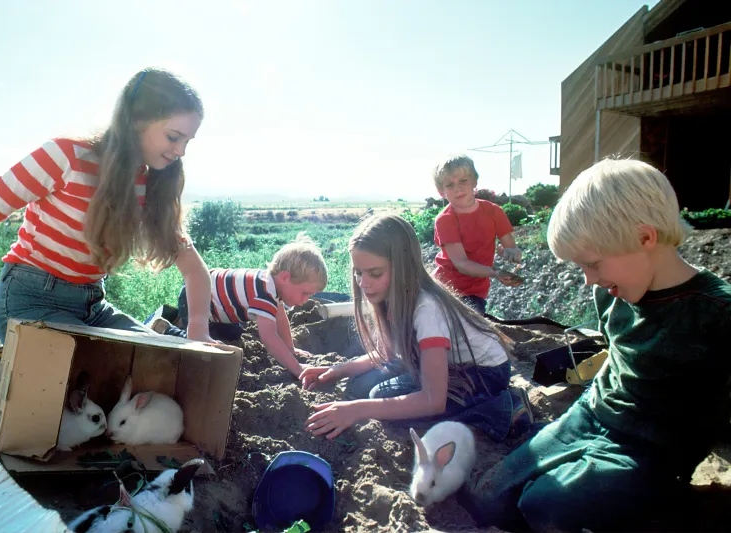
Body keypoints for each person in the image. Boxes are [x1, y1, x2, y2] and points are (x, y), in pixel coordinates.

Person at [464, 158, 731, 532]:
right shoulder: (610, 292)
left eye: (593, 263)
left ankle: (672, 508)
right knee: (489, 500)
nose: (589, 278)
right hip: (590, 417)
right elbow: (617, 354)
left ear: (645, 237)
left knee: (545, 507)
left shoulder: (716, 311)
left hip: (652, 448)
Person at [0, 68, 215, 381]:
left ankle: (24, 367)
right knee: (89, 381)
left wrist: (197, 332)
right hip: (31, 295)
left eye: (187, 141)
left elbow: (194, 270)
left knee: (161, 370)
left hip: (92, 305)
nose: (180, 151)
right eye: (173, 136)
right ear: (137, 120)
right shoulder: (66, 156)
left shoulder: (152, 182)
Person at [300, 214, 532, 441]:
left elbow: (433, 399)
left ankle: (501, 408)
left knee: (382, 398)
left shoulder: (426, 309)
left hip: (484, 372)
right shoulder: (392, 296)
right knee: (362, 384)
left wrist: (355, 410)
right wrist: (337, 370)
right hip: (450, 364)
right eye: (358, 273)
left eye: (375, 273)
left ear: (403, 267)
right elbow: (387, 353)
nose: (363, 283)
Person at [151, 236, 328, 380]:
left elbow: (280, 320)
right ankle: (166, 329)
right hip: (195, 298)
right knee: (201, 345)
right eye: (305, 293)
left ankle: (185, 324)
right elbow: (270, 339)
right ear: (285, 277)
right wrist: (298, 369)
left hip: (220, 307)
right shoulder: (265, 292)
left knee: (233, 335)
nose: (305, 300)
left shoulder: (271, 286)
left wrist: (290, 348)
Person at [431, 154, 522, 315]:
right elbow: (462, 264)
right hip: (445, 290)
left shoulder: (494, 212)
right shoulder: (445, 220)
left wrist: (509, 254)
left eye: (463, 181)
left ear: (475, 181)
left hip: (476, 291)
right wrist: (495, 272)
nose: (458, 188)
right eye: (450, 185)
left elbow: (513, 250)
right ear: (441, 192)